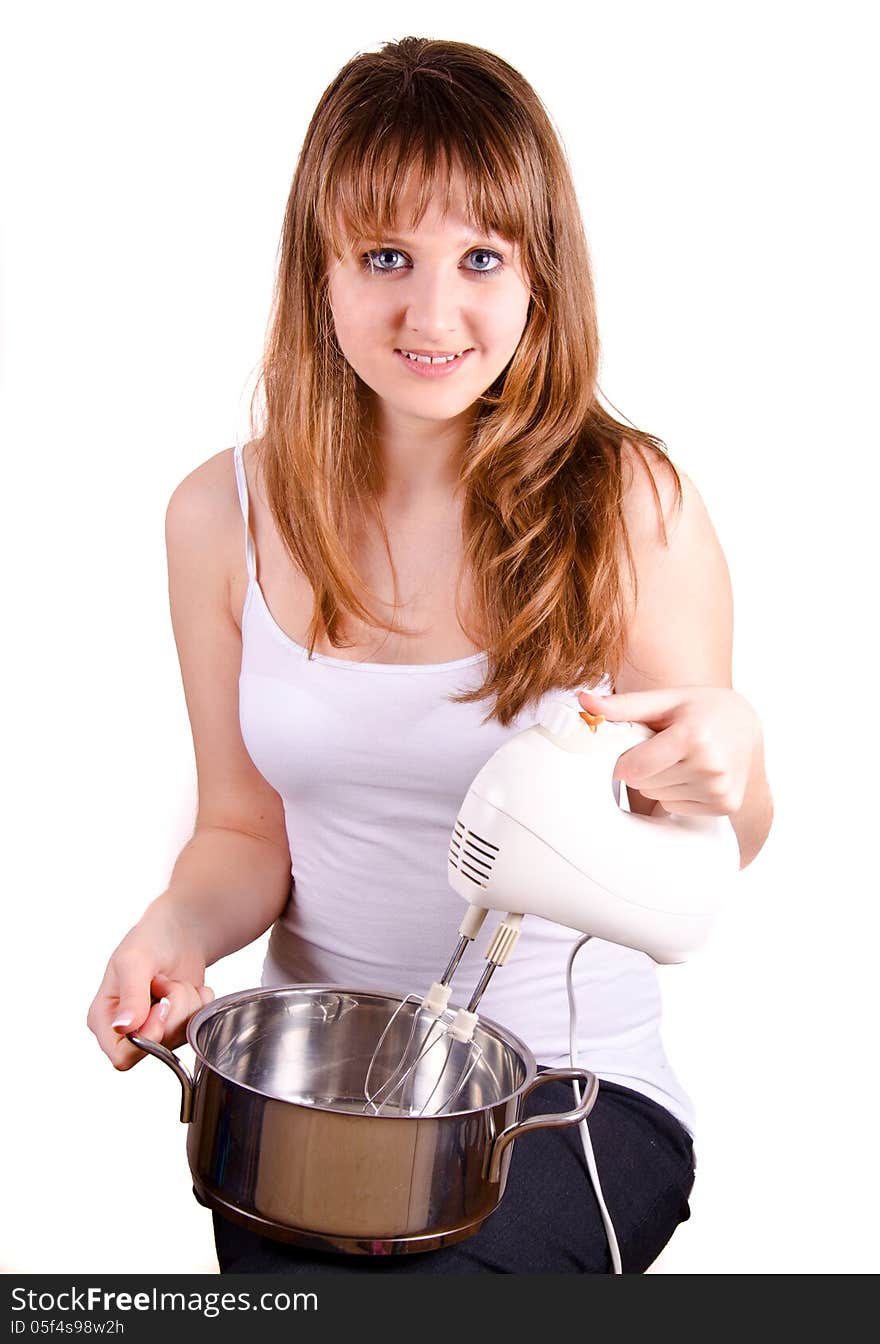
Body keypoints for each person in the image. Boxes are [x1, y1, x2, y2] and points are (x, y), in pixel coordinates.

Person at [87, 36, 773, 1274]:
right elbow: (243, 837)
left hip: (570, 1096)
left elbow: (718, 846)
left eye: (481, 258)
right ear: (322, 270)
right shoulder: (217, 519)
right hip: (315, 1112)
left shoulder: (631, 504)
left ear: (537, 277)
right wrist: (171, 934)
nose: (433, 313)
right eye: (387, 256)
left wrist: (725, 769)